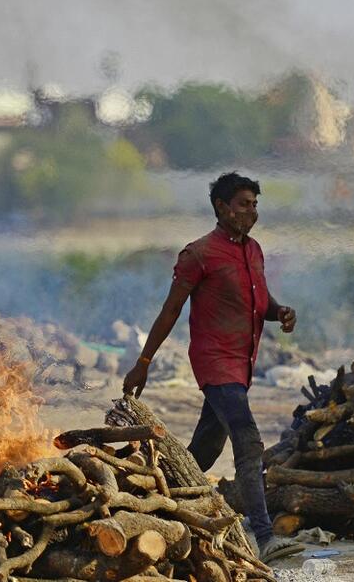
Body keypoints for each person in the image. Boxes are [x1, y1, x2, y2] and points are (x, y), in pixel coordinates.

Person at [122, 172, 304, 563]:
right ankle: (265, 537)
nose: (251, 212)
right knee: (249, 440)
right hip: (214, 362)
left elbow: (260, 302)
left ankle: (145, 504)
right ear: (221, 207)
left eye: (255, 205)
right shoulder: (199, 253)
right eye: (243, 204)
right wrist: (143, 362)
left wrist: (281, 312)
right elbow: (171, 309)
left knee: (201, 455)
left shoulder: (253, 250)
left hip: (242, 366)